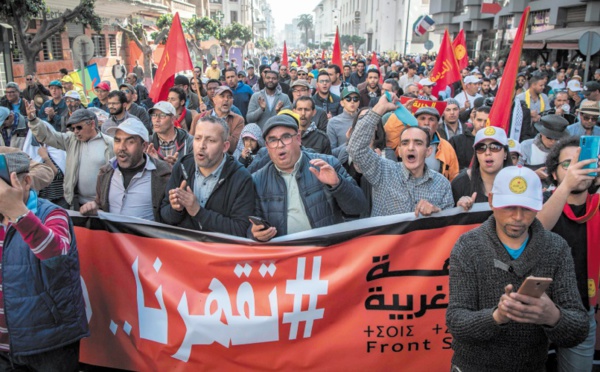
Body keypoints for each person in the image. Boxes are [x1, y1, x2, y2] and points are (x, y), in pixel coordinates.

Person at [446, 165, 589, 372]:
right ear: (492, 201)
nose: (518, 217)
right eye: (509, 207)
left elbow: (579, 327)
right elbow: (456, 321)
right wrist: (497, 317)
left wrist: (553, 316)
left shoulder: (556, 249)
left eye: (527, 208)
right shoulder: (468, 247)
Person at [0, 151, 88, 370]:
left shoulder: (52, 214)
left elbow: (57, 255)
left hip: (48, 344)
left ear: (26, 181)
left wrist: (19, 214)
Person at [537, 137, 600, 372]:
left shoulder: (597, 205)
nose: (576, 170)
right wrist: (565, 187)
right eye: (567, 164)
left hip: (582, 311)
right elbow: (536, 230)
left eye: (582, 162)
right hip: (537, 311)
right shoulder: (539, 202)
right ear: (553, 174)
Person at [250, 115, 367, 241]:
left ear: (298, 138)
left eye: (286, 137)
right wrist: (255, 234)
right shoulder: (257, 180)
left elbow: (359, 207)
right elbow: (249, 228)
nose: (280, 145)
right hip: (285, 256)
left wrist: (338, 185)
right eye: (273, 140)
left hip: (326, 251)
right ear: (267, 146)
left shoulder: (327, 164)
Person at [347, 95, 453, 216]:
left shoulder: (442, 184)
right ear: (400, 150)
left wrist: (437, 213)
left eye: (418, 143)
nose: (411, 147)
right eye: (405, 143)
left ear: (428, 151)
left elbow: (448, 227)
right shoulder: (383, 171)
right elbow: (355, 149)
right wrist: (379, 109)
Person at [160, 116, 255, 236]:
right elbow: (164, 215)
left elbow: (240, 230)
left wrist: (198, 212)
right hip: (184, 249)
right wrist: (176, 209)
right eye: (198, 138)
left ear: (225, 146)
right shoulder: (182, 166)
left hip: (219, 253)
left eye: (211, 140)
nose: (201, 146)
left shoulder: (241, 178)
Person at [80, 118, 171, 221]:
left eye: (130, 142)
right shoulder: (105, 173)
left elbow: (170, 217)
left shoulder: (163, 174)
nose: (121, 147)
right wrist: (94, 207)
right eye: (117, 140)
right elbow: (100, 205)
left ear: (144, 146)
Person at [28, 103, 114, 209]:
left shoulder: (109, 143)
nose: (76, 132)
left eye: (79, 127)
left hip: (103, 203)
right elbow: (48, 136)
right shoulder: (71, 140)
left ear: (92, 124)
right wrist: (33, 120)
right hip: (77, 203)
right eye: (73, 129)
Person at [452, 126, 511, 210]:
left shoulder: (517, 181)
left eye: (494, 147)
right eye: (481, 148)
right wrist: (459, 210)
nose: (487, 153)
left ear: (505, 153)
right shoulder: (460, 184)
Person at [193, 86, 244, 155]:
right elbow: (192, 141)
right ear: (214, 100)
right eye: (222, 96)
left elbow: (233, 146)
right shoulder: (200, 118)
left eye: (229, 97)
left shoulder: (238, 120)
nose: (226, 99)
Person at [521, 115, 569, 183]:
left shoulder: (563, 150)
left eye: (556, 139)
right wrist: (533, 174)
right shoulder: (526, 146)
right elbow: (515, 171)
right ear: (541, 133)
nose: (553, 141)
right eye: (549, 137)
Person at [147, 101, 193, 167]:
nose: (157, 119)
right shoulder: (147, 144)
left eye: (162, 115)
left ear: (173, 119)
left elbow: (194, 171)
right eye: (154, 115)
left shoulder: (189, 142)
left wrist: (178, 166)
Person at [327, 86, 360, 155]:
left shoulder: (365, 118)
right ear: (342, 103)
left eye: (355, 99)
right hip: (343, 162)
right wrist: (348, 143)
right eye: (348, 99)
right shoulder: (333, 122)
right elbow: (331, 152)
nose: (352, 101)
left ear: (359, 102)